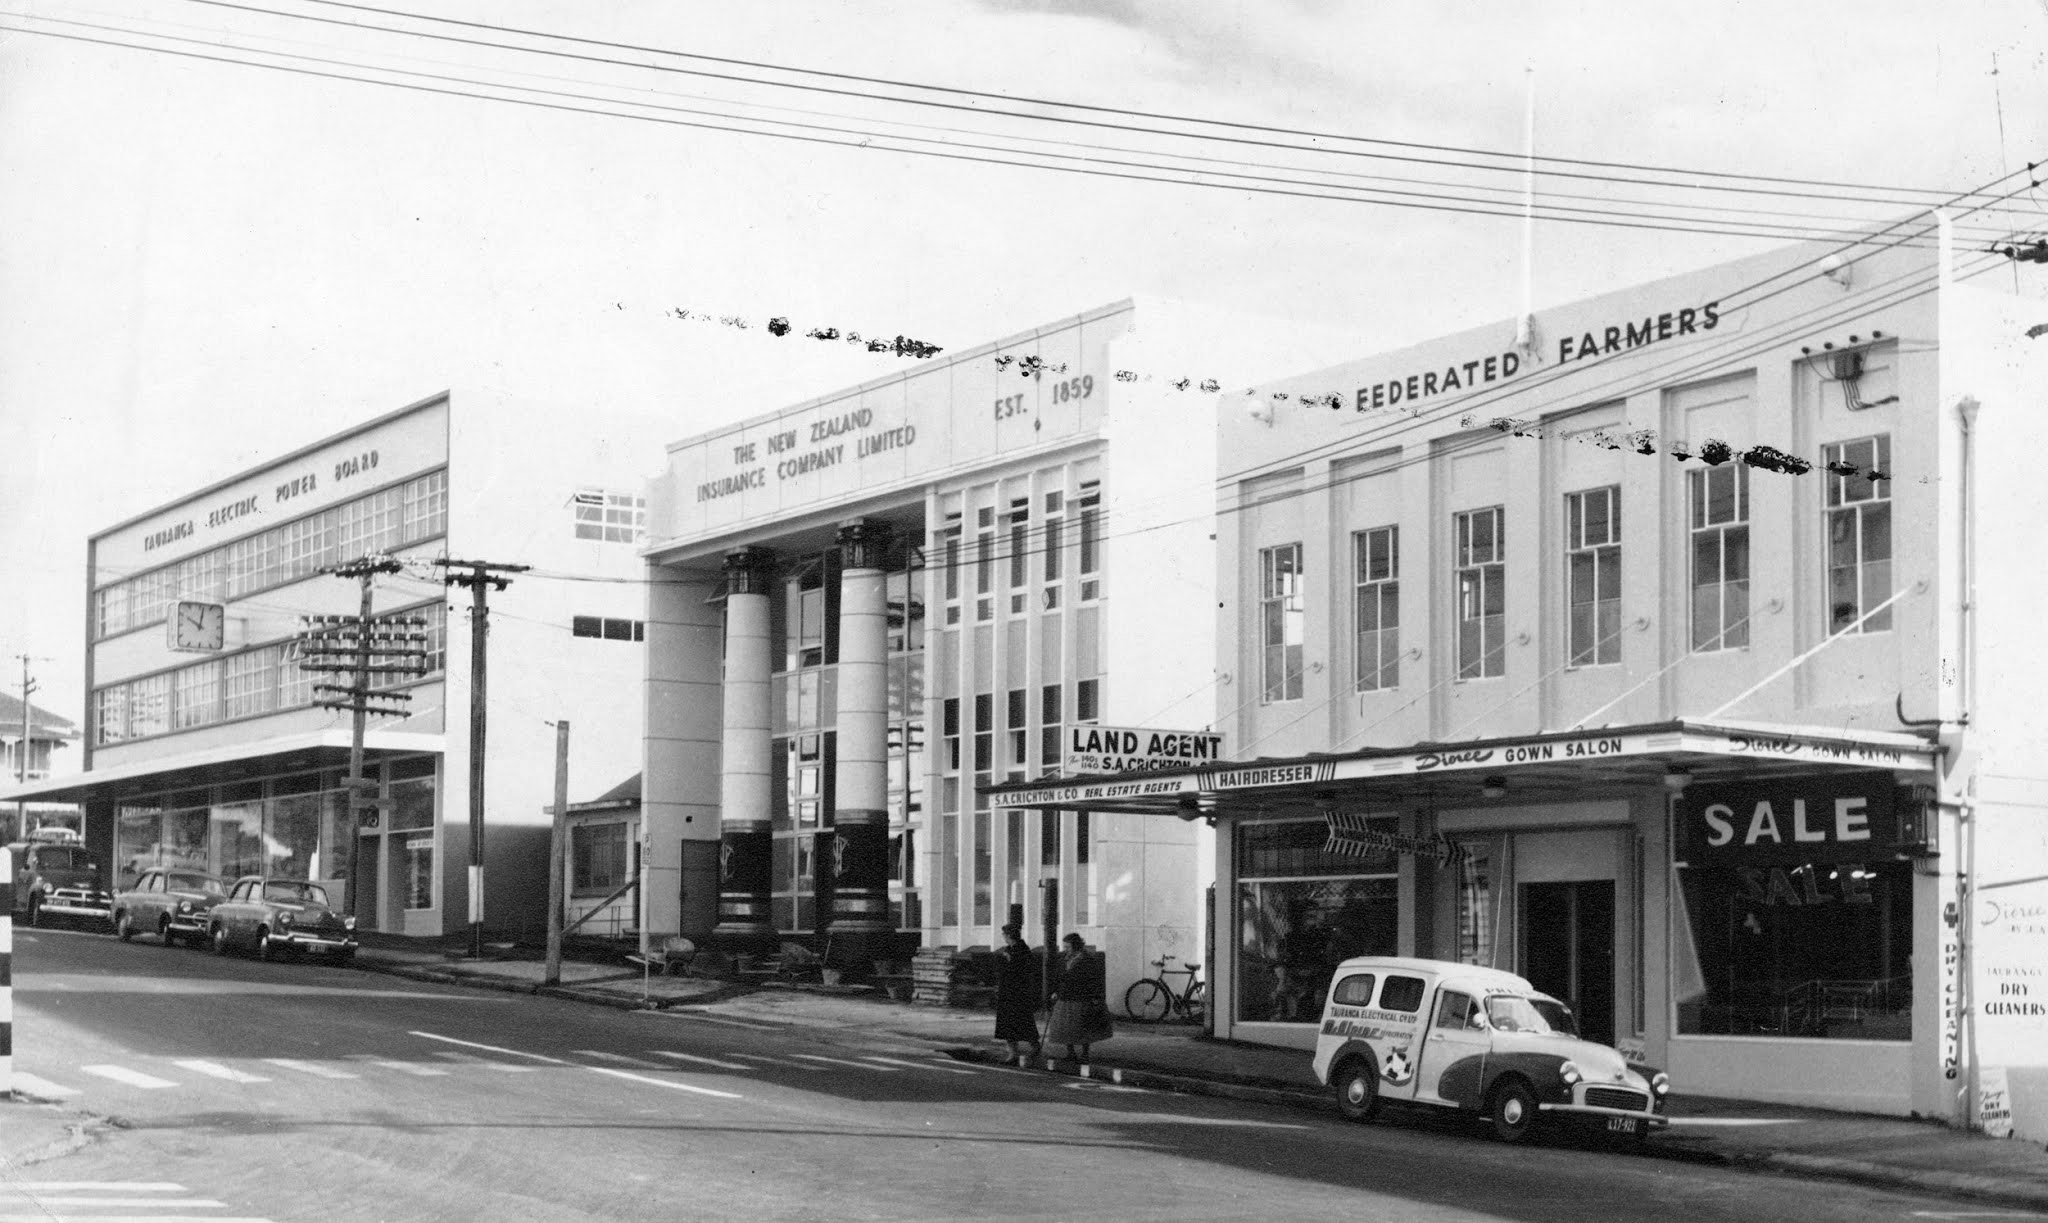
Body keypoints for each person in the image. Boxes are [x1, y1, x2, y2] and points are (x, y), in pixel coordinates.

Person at [1044, 932, 1114, 1062]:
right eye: (1064, 947)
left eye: (1068, 947)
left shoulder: (1086, 959)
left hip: (1081, 997)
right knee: (1066, 1026)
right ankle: (1070, 1052)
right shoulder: (1064, 959)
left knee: (1082, 1026)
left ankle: (1084, 1053)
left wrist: (1094, 996)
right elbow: (1059, 977)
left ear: (1075, 946)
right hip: (1065, 996)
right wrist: (1056, 991)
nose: (1065, 950)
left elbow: (1093, 979)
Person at [992, 924, 1043, 1061]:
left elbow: (1023, 969)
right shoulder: (1009, 949)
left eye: (1004, 934)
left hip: (1018, 992)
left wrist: (1009, 961)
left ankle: (1034, 1045)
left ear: (1008, 935)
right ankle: (1013, 1052)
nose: (1003, 937)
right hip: (1007, 991)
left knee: (1022, 1021)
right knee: (1008, 1023)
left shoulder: (1021, 950)